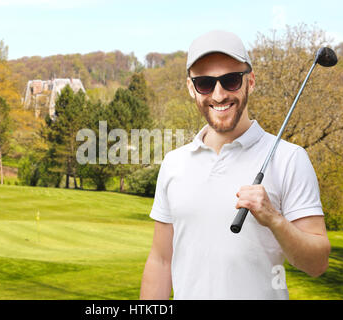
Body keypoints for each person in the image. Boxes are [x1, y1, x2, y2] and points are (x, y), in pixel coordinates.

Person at [139, 30, 331, 300]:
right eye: (205, 83)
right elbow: (161, 262)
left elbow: (317, 263)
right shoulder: (173, 163)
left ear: (250, 82)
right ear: (191, 88)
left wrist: (274, 219)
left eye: (230, 80)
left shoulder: (291, 159)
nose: (218, 95)